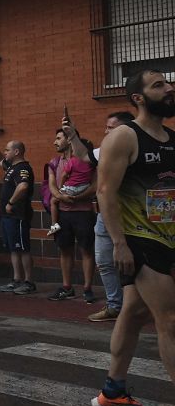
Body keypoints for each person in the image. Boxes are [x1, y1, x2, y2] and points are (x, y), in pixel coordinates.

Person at [91, 69, 175, 406]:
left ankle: (113, 392)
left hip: (166, 237)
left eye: (169, 83)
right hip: (139, 240)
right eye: (159, 85)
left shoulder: (171, 138)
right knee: (169, 319)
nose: (170, 88)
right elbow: (105, 192)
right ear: (138, 97)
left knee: (134, 312)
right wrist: (119, 244)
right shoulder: (124, 137)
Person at [65, 112, 137, 322]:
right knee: (104, 262)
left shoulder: (136, 149)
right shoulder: (104, 150)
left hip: (133, 217)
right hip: (105, 216)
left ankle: (138, 307)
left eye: (112, 128)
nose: (106, 132)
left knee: (136, 265)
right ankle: (115, 305)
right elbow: (84, 156)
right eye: (106, 128)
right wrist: (72, 136)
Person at [45, 129, 98, 303]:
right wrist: (61, 197)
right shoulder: (54, 162)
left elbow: (95, 185)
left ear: (70, 140)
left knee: (87, 250)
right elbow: (52, 186)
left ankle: (88, 288)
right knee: (65, 250)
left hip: (84, 213)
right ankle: (67, 287)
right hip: (63, 214)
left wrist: (77, 197)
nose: (55, 142)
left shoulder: (90, 161)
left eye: (59, 138)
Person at [0, 138, 36, 295]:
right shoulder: (11, 167)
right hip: (8, 217)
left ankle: (29, 282)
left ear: (17, 152)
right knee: (13, 249)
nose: (5, 152)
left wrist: (10, 202)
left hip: (18, 215)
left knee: (22, 248)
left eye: (7, 150)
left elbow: (23, 186)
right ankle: (17, 280)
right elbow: (0, 161)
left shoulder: (22, 168)